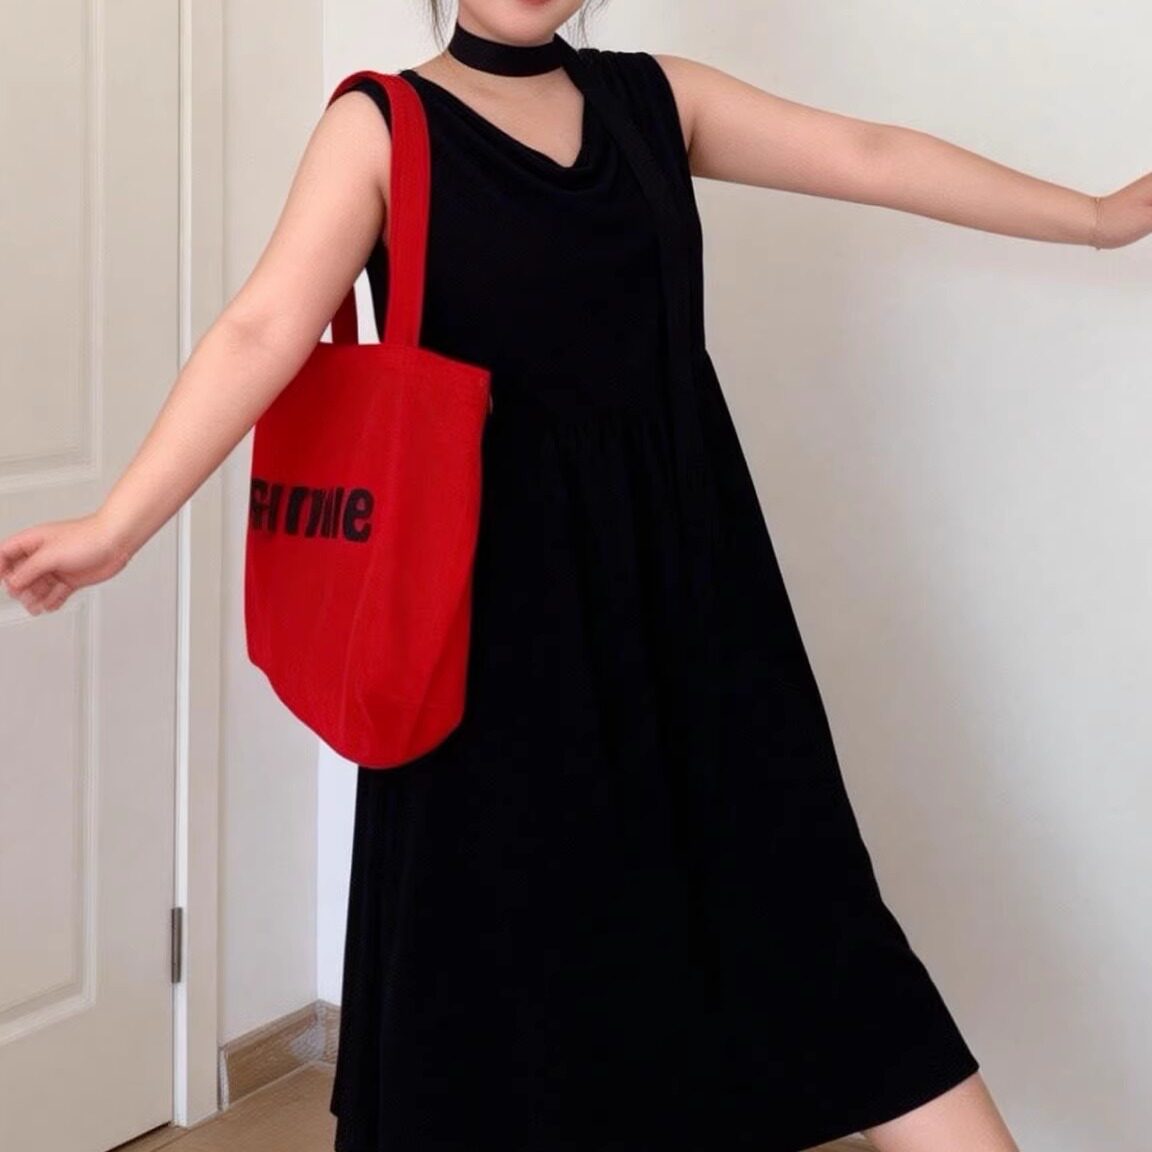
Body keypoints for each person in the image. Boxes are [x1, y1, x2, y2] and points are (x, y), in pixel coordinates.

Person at [2, 2, 1150, 1149]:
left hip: (698, 598)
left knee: (814, 924)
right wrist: (119, 526)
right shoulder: (382, 126)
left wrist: (1099, 220)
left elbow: (869, 154)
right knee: (514, 981)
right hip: (491, 629)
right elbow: (263, 330)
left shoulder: (659, 99)